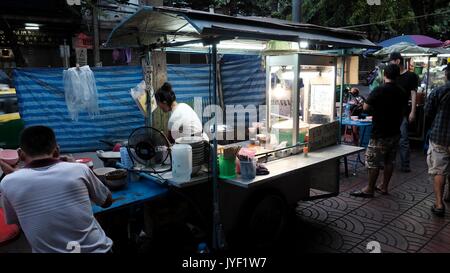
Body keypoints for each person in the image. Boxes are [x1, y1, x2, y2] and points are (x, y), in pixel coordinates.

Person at [0, 126, 113, 253]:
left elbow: (15, 220)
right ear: (57, 150)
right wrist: (76, 165)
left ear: (20, 154)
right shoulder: (79, 169)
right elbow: (106, 201)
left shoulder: (7, 182)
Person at [350, 64, 407, 198]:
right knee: (389, 161)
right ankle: (384, 186)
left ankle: (369, 188)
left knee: (372, 161)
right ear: (397, 76)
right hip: (395, 132)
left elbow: (366, 107)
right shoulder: (402, 91)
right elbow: (404, 109)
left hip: (379, 133)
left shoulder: (379, 90)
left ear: (384, 75)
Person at [424, 64, 450, 216]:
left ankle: (439, 205)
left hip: (440, 136)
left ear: (447, 75)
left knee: (439, 170)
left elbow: (427, 112)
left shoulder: (439, 91)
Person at [389, 52, 419, 172]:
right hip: (390, 112)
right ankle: (388, 162)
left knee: (403, 139)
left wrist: (413, 111)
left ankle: (405, 165)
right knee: (389, 138)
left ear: (397, 61)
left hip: (402, 112)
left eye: (391, 61)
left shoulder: (411, 76)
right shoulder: (392, 75)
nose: (390, 63)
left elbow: (413, 94)